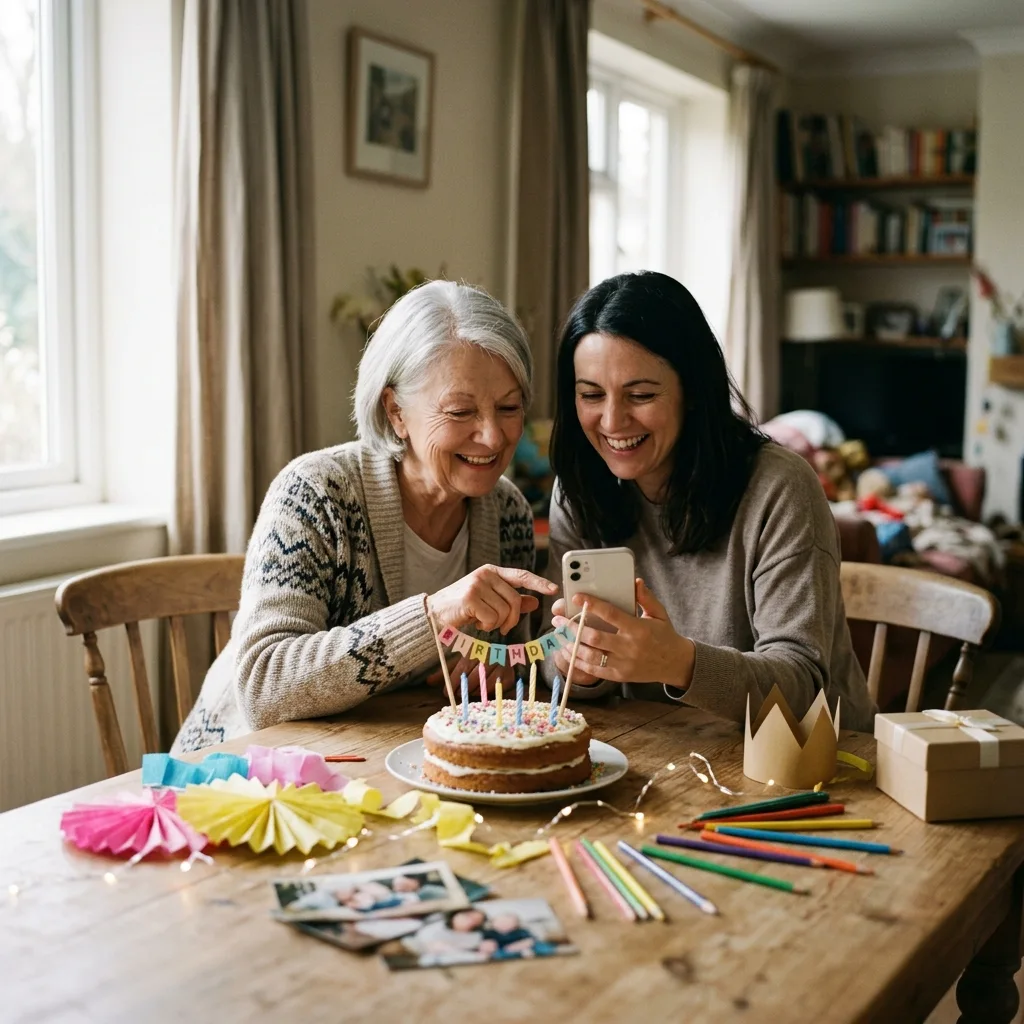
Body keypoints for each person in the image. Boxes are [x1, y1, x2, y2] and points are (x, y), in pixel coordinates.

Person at [173, 281, 556, 753]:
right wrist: (433, 615)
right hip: (238, 775)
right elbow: (263, 689)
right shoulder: (315, 495)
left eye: (509, 407)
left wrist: (502, 664)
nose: (493, 437)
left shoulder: (508, 514)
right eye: (460, 411)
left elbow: (502, 666)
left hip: (380, 760)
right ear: (396, 411)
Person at [545, 272, 876, 731]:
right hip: (664, 754)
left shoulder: (778, 488)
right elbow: (553, 663)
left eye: (641, 395)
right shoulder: (580, 489)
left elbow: (802, 687)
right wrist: (574, 667)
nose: (613, 421)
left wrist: (678, 662)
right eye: (590, 395)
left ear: (694, 392)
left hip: (814, 762)